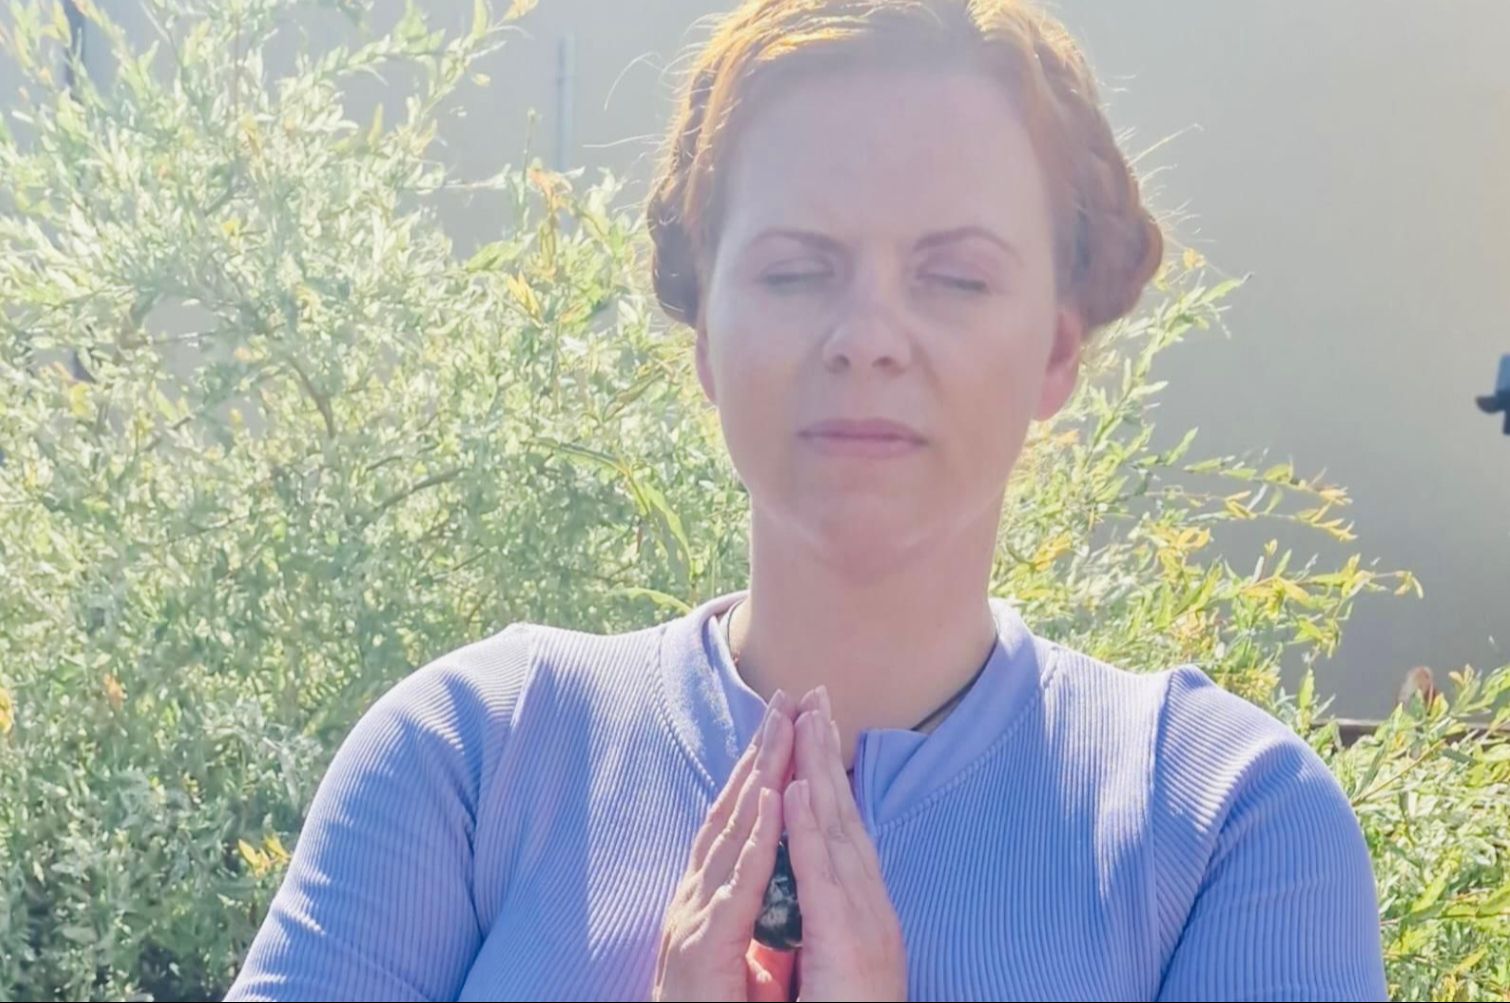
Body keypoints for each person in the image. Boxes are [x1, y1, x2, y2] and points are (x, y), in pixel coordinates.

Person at [225, 0, 1389, 999]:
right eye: (794, 270)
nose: (867, 336)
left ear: (1055, 349)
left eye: (954, 276)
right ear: (705, 337)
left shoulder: (1221, 822)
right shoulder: (471, 758)